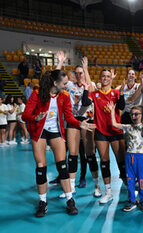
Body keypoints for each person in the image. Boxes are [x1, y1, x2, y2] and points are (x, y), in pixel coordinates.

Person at [22, 70, 95, 217]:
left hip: (56, 131)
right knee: (41, 168)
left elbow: (68, 117)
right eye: (64, 83)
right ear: (55, 83)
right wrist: (36, 118)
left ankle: (70, 200)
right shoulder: (38, 94)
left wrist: (79, 124)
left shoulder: (64, 96)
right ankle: (42, 202)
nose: (66, 86)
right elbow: (25, 115)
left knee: (62, 166)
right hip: (39, 131)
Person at [55, 52, 101, 199]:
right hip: (73, 120)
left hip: (87, 120)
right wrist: (60, 62)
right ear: (74, 75)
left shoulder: (90, 85)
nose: (79, 75)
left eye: (81, 73)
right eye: (77, 73)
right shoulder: (69, 85)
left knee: (90, 154)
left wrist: (86, 68)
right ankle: (71, 188)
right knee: (72, 154)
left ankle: (97, 186)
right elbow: (55, 79)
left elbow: (92, 92)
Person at [86, 69, 126, 204]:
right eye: (103, 76)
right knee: (104, 161)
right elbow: (86, 102)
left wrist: (121, 94)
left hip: (115, 131)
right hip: (101, 131)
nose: (105, 78)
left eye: (108, 76)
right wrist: (86, 90)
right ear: (100, 77)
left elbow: (122, 105)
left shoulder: (116, 93)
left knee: (121, 161)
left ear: (111, 79)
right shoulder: (94, 93)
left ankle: (129, 188)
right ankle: (108, 192)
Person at [107, 103, 143, 212]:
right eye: (132, 114)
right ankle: (131, 200)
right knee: (130, 179)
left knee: (141, 179)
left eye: (137, 114)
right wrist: (112, 111)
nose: (134, 117)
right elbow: (114, 124)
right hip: (129, 156)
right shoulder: (128, 127)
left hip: (140, 157)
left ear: (142, 115)